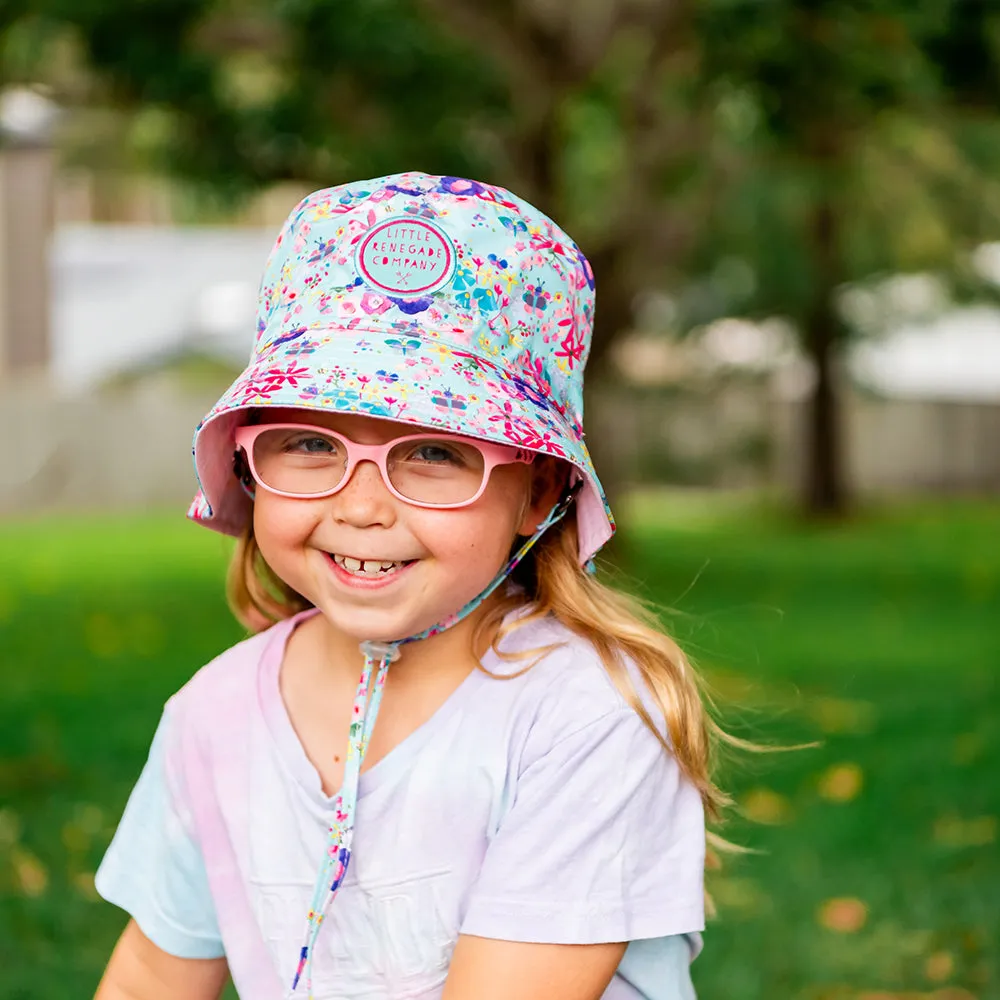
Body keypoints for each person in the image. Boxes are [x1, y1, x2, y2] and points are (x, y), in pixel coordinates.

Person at [93, 171, 724, 1000]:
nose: (360, 506)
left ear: (537, 492)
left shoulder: (584, 712)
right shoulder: (215, 716)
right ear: (249, 461)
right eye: (310, 443)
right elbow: (149, 976)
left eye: (433, 453)